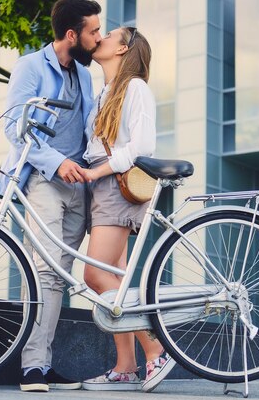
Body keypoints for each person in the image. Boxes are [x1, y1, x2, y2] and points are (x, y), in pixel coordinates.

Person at [0, 0, 101, 393]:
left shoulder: (85, 75)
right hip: (43, 181)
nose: (98, 37)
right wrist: (56, 163)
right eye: (93, 31)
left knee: (57, 277)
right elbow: (14, 127)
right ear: (72, 34)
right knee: (43, 271)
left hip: (80, 188)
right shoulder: (30, 67)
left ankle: (43, 363)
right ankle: (32, 368)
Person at [79, 27, 176, 392]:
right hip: (101, 188)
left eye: (108, 35)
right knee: (115, 282)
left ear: (122, 48)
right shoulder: (104, 92)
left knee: (95, 277)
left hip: (115, 187)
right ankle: (125, 365)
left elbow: (142, 145)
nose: (99, 38)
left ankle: (156, 351)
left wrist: (97, 171)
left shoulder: (135, 88)